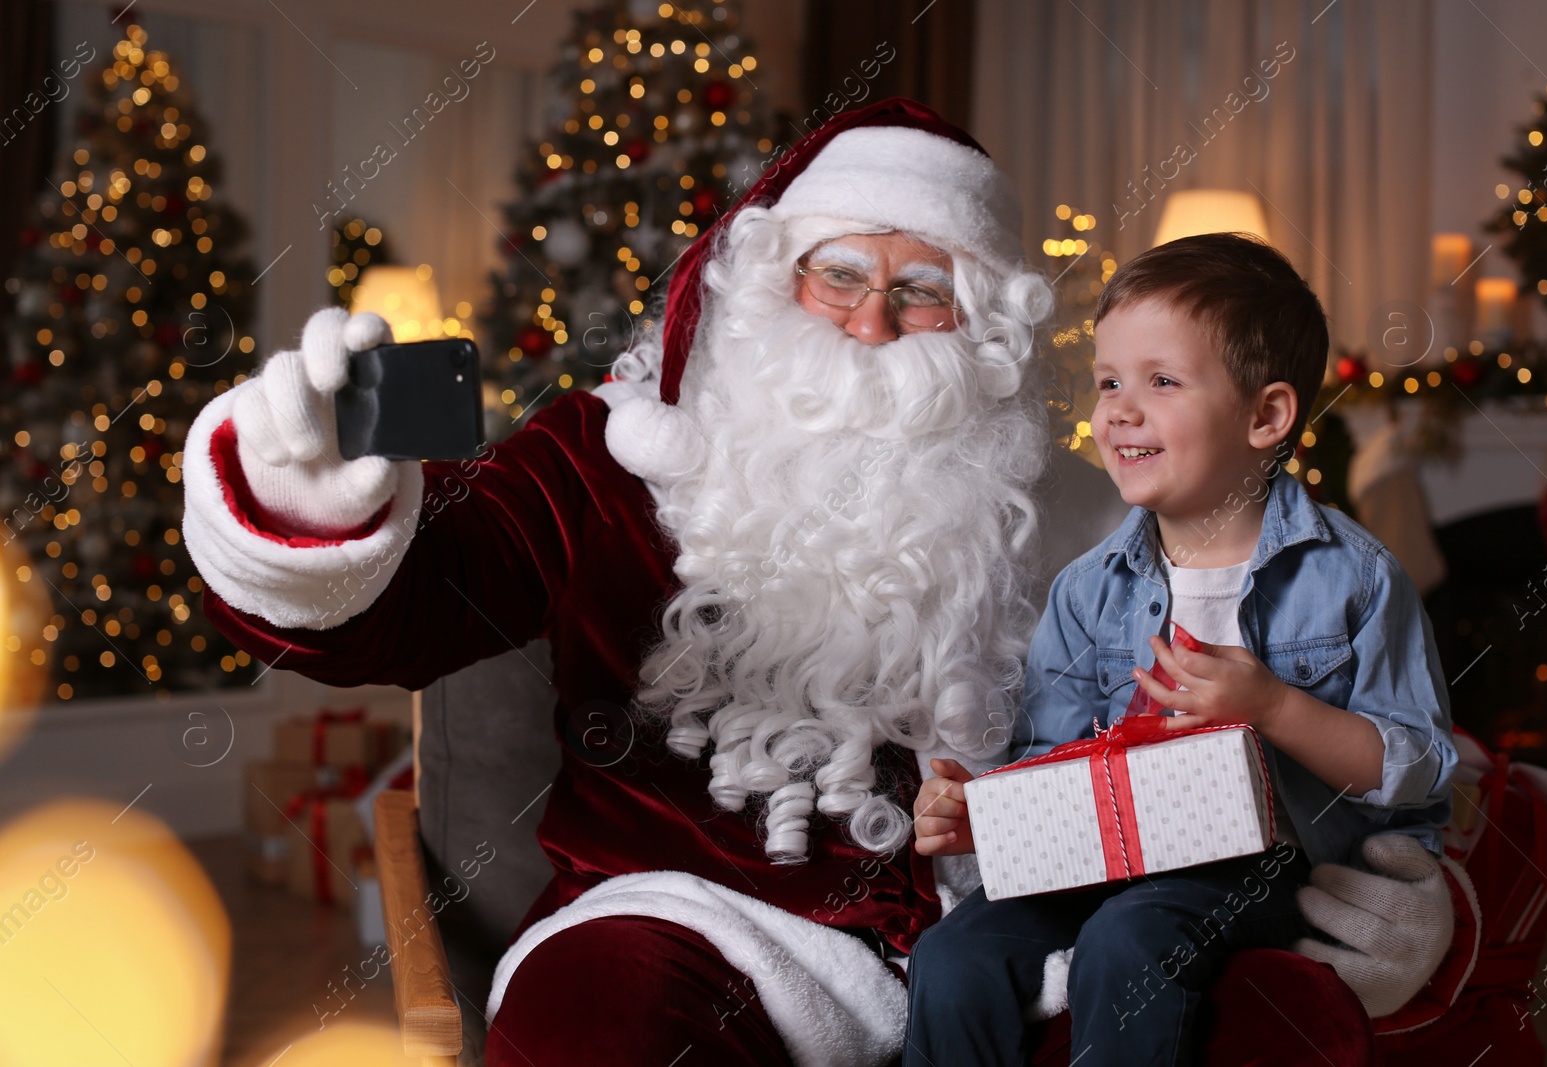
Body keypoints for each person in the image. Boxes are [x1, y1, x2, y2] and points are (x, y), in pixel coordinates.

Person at [182, 99, 1450, 1066]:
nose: (870, 324)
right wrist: (307, 491)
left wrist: (1396, 902)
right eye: (837, 273)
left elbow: (1298, 724)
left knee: (1265, 1010)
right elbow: (406, 606)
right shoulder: (610, 456)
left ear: (984, 331)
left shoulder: (1093, 514)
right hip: (702, 925)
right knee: (600, 1010)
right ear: (765, 283)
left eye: (920, 291)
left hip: (1022, 929)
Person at [906, 233, 1459, 1066]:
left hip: (1262, 865)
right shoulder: (1087, 588)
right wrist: (979, 811)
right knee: (952, 954)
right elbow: (1051, 755)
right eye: (1109, 382)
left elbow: (1416, 765)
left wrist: (1273, 706)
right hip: (1106, 848)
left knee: (1132, 936)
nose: (1120, 409)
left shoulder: (1355, 578)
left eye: (1161, 381)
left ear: (1265, 416)